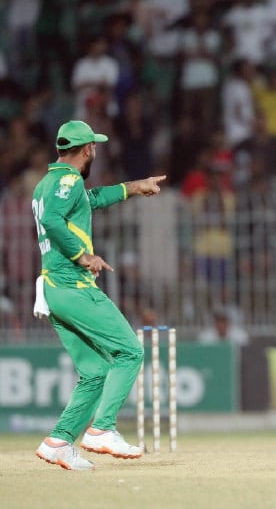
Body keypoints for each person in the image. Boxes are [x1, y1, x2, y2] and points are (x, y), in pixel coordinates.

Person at [32, 120, 166, 470]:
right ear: (88, 149)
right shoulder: (66, 180)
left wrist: (134, 187)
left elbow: (89, 201)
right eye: (95, 148)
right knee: (130, 351)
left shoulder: (49, 183)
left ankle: (59, 442)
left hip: (53, 288)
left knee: (94, 370)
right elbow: (53, 220)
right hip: (73, 286)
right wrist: (82, 255)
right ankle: (101, 429)